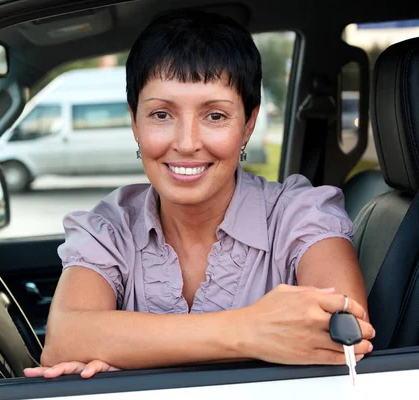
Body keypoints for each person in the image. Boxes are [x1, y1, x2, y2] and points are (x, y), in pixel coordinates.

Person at [24, 9, 374, 379]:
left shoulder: (300, 214)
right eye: (161, 115)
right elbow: (64, 340)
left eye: (215, 116)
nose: (187, 143)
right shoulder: (111, 225)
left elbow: (344, 336)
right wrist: (251, 331)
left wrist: (129, 351)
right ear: (134, 123)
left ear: (249, 124)